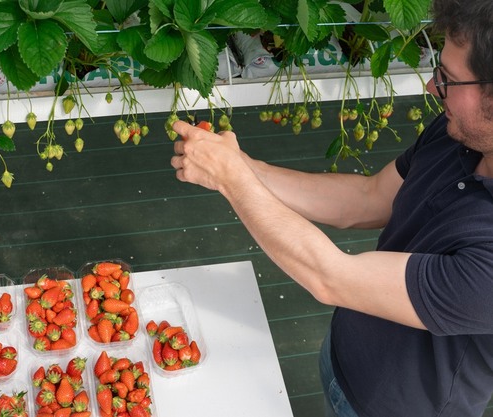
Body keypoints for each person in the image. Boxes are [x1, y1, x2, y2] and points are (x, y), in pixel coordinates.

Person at [170, 0, 493, 415]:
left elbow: (331, 277)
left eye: (447, 78)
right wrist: (245, 166)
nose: (432, 87)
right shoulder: (460, 134)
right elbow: (368, 198)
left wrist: (232, 180)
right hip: (344, 359)